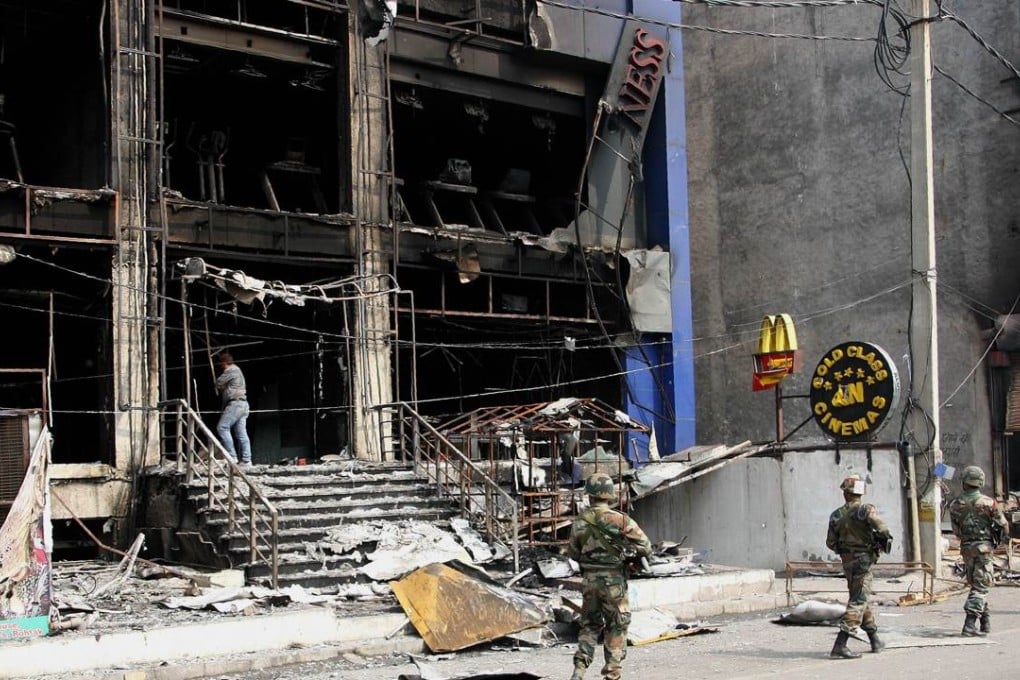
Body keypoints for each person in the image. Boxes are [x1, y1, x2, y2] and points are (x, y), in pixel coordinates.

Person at [567, 472, 652, 680]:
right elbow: (646, 547)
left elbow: (573, 554)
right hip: (614, 583)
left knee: (589, 626)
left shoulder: (579, 522)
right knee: (617, 625)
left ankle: (579, 671)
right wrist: (627, 555)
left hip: (589, 582)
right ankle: (612, 674)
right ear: (610, 495)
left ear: (589, 495)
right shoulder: (621, 520)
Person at [825, 474, 893, 659]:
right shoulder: (865, 510)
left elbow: (830, 543)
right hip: (863, 560)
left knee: (861, 596)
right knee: (858, 601)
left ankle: (874, 638)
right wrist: (880, 541)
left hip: (848, 561)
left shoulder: (836, 515)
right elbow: (883, 530)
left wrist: (846, 549)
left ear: (845, 493)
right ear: (861, 492)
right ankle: (840, 644)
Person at [948, 465, 1008, 636]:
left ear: (964, 483)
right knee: (981, 587)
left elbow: (956, 531)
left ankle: (985, 622)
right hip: (984, 549)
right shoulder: (990, 503)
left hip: (967, 549)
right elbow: (1004, 525)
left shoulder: (955, 505)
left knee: (977, 584)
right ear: (980, 482)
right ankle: (969, 624)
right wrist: (998, 540)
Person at [214, 351, 252, 467]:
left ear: (224, 363)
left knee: (222, 427)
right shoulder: (238, 371)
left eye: (221, 365)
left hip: (235, 404)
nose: (221, 367)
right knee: (241, 433)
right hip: (243, 404)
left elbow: (218, 382)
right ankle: (246, 460)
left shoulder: (231, 370)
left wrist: (222, 387)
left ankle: (232, 457)